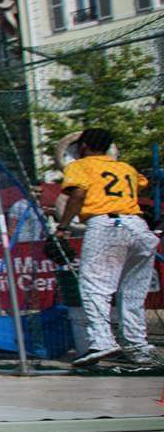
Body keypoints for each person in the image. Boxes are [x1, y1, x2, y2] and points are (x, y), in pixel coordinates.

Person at [58, 127, 157, 367]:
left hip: (105, 224)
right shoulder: (125, 167)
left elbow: (78, 194)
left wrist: (63, 227)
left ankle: (102, 341)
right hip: (139, 226)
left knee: (95, 286)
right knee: (133, 292)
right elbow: (142, 183)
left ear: (82, 147)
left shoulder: (79, 166)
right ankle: (138, 347)